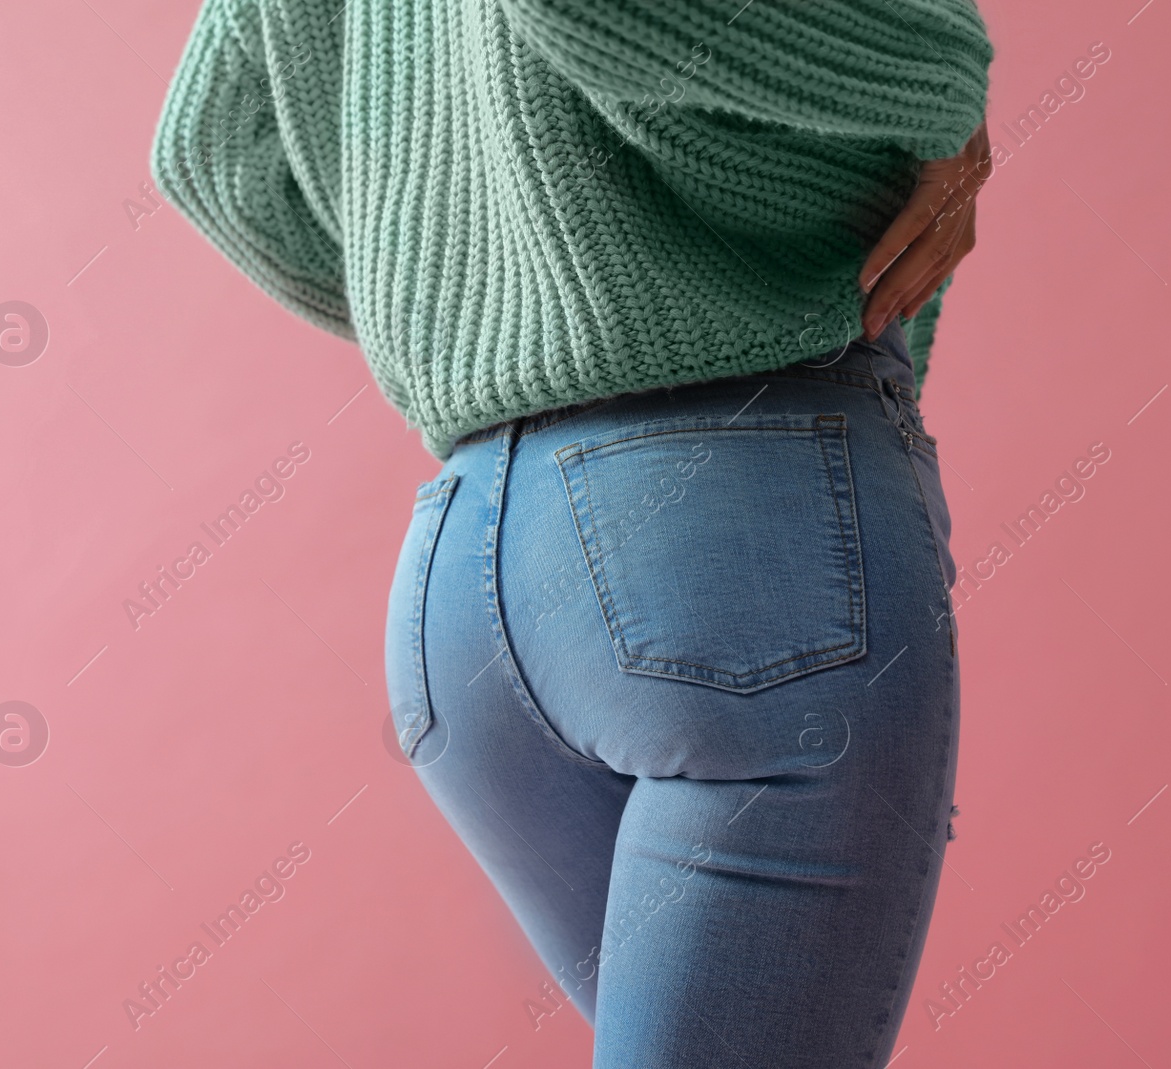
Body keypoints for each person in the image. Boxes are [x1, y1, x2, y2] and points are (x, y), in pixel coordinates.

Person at [152, 1, 994, 1064]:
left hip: (473, 578)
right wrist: (944, 92)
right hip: (728, 539)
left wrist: (482, 300)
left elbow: (210, 148)